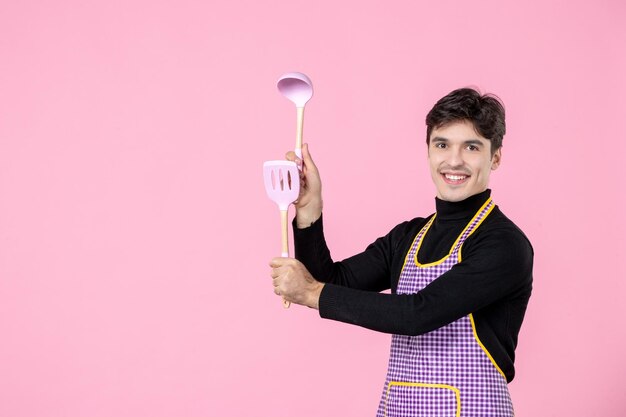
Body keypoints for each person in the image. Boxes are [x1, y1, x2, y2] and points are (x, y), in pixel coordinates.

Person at [269, 87, 533, 417]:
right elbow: (330, 280)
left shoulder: (504, 244)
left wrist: (309, 292)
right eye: (442, 144)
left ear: (495, 157)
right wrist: (310, 208)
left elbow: (417, 314)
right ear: (428, 152)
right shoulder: (408, 237)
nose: (454, 160)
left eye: (471, 147)